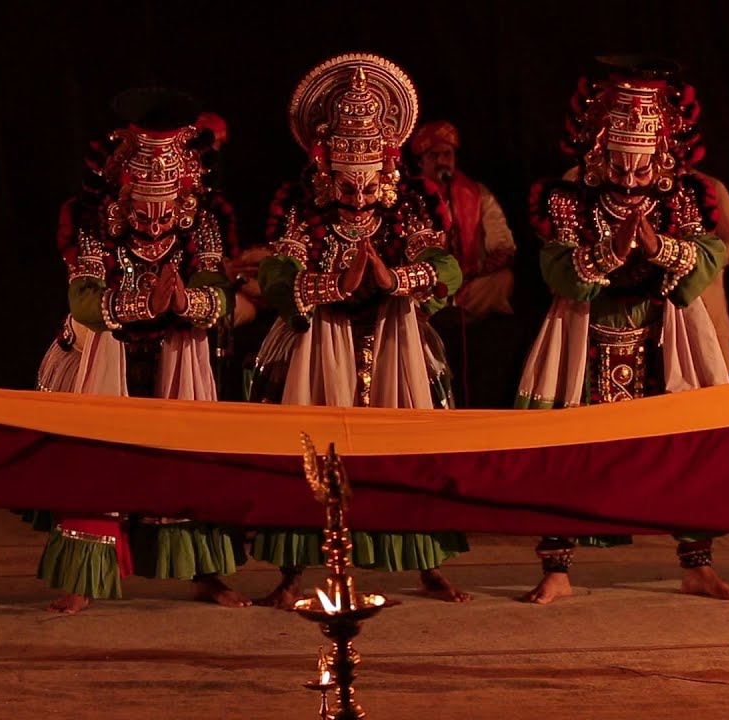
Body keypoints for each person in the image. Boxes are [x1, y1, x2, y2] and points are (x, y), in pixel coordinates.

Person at [247, 54, 470, 607]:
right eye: (347, 186)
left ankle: (425, 564)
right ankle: (294, 570)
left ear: (387, 168)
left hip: (394, 340)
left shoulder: (410, 205)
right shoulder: (301, 205)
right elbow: (278, 274)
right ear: (326, 170)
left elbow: (448, 269)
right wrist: (332, 286)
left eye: (369, 184)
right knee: (306, 449)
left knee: (412, 443)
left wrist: (393, 277)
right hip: (319, 341)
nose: (360, 196)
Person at [515, 56, 729, 604]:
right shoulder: (566, 199)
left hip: (665, 333)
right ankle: (558, 567)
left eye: (642, 169)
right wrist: (610, 253)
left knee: (684, 445)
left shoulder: (684, 196)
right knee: (566, 446)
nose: (632, 180)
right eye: (620, 166)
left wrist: (661, 248)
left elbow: (712, 254)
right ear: (598, 152)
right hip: (584, 331)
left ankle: (696, 563)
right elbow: (558, 269)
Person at [33, 88, 249, 613]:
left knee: (187, 461)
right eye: (144, 213)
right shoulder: (91, 224)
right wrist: (140, 304)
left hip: (178, 355)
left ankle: (206, 574)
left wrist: (186, 299)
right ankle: (83, 578)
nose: (155, 225)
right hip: (103, 355)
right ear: (124, 199)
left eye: (165, 213)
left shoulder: (202, 224)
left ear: (183, 199)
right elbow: (84, 301)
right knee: (99, 463)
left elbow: (219, 292)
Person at [409, 120, 528, 407]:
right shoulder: (408, 197)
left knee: (503, 281)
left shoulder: (477, 193)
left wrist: (472, 275)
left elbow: (503, 244)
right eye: (434, 156)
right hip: (425, 283)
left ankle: (455, 304)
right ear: (421, 161)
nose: (441, 162)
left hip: (471, 286)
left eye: (446, 155)